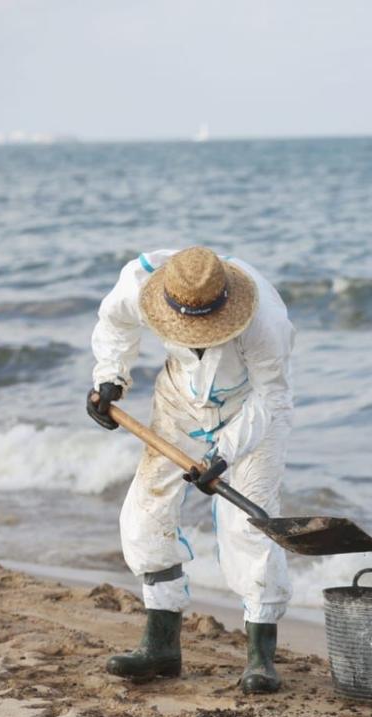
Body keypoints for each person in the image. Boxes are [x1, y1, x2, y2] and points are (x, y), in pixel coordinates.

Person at [86, 246, 294, 693]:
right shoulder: (142, 281)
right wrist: (110, 378)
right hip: (179, 402)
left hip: (252, 413)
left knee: (248, 527)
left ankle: (260, 659)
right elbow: (114, 322)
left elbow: (272, 397)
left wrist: (223, 455)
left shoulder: (265, 318)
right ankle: (161, 646)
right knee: (144, 514)